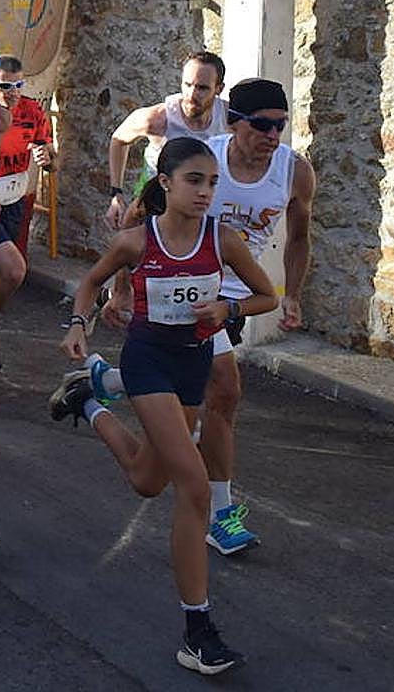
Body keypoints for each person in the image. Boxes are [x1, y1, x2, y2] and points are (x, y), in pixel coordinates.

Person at [55, 137, 278, 676]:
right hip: (148, 362)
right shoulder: (137, 242)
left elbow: (266, 295)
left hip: (192, 365)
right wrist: (79, 324)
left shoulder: (222, 240)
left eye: (211, 183)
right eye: (193, 181)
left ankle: (88, 402)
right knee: (194, 486)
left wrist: (228, 309)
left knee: (147, 480)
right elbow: (89, 283)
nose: (204, 191)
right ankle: (197, 629)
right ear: (166, 183)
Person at [90, 78, 314, 555]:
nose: (272, 135)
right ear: (235, 123)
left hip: (236, 295)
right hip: (185, 290)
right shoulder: (200, 160)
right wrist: (122, 290)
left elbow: (298, 237)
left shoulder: (295, 171)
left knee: (200, 390)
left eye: (280, 126)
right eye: (261, 125)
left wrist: (292, 293)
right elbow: (138, 220)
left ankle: (107, 384)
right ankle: (221, 514)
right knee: (226, 390)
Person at [0, 55, 55, 371]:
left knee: (8, 271)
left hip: (13, 202)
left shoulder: (32, 112)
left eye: (18, 85)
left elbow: (49, 154)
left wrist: (46, 156)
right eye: (5, 85)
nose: (12, 91)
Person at [105, 52, 227, 229]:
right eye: (187, 84)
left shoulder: (229, 120)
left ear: (218, 88)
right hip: (155, 207)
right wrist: (116, 193)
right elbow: (118, 139)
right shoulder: (157, 119)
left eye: (202, 88)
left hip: (206, 210)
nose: (191, 94)